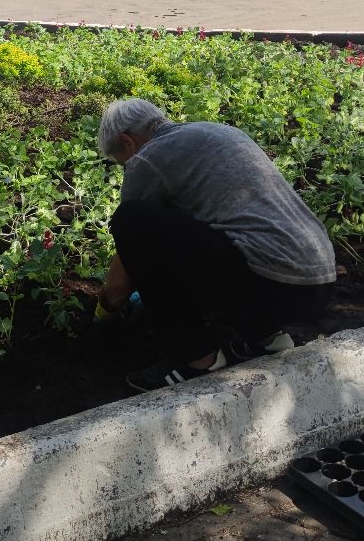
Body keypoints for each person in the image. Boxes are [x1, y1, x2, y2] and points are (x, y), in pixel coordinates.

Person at [94, 98, 337, 392]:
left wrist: (104, 311)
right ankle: (267, 338)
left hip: (270, 285)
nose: (125, 167)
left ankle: (199, 359)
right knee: (230, 235)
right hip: (318, 281)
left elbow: (127, 264)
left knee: (130, 221)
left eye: (120, 161)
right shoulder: (218, 132)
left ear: (126, 141)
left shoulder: (147, 160)